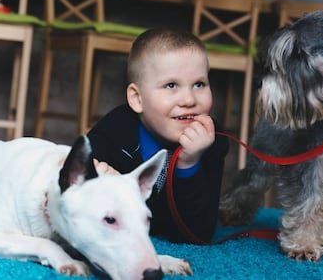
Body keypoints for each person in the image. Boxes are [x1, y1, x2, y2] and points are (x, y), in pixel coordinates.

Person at [87, 28, 229, 243]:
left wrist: (189, 164)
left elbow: (199, 233)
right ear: (137, 99)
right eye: (171, 85)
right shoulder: (111, 135)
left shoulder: (212, 140)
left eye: (199, 84)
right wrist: (98, 177)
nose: (189, 99)